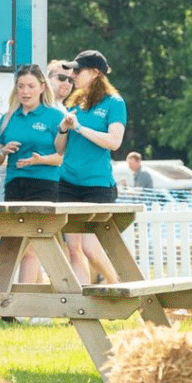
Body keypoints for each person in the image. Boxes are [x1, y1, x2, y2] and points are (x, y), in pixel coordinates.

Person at [0, 62, 64, 285]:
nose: (25, 91)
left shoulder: (54, 116)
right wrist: (3, 150)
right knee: (11, 243)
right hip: (14, 184)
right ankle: (1, 300)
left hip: (44, 184)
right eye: (21, 86)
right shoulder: (8, 118)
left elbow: (62, 157)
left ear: (42, 87)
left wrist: (40, 159)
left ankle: (21, 308)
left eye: (30, 86)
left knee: (31, 247)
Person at [56, 49, 126, 284]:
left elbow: (114, 142)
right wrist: (64, 129)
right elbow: (59, 149)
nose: (72, 76)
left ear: (95, 73)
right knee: (73, 247)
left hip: (97, 184)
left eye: (77, 70)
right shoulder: (73, 102)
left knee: (89, 247)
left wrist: (79, 128)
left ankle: (120, 286)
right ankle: (80, 303)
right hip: (67, 182)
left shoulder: (114, 103)